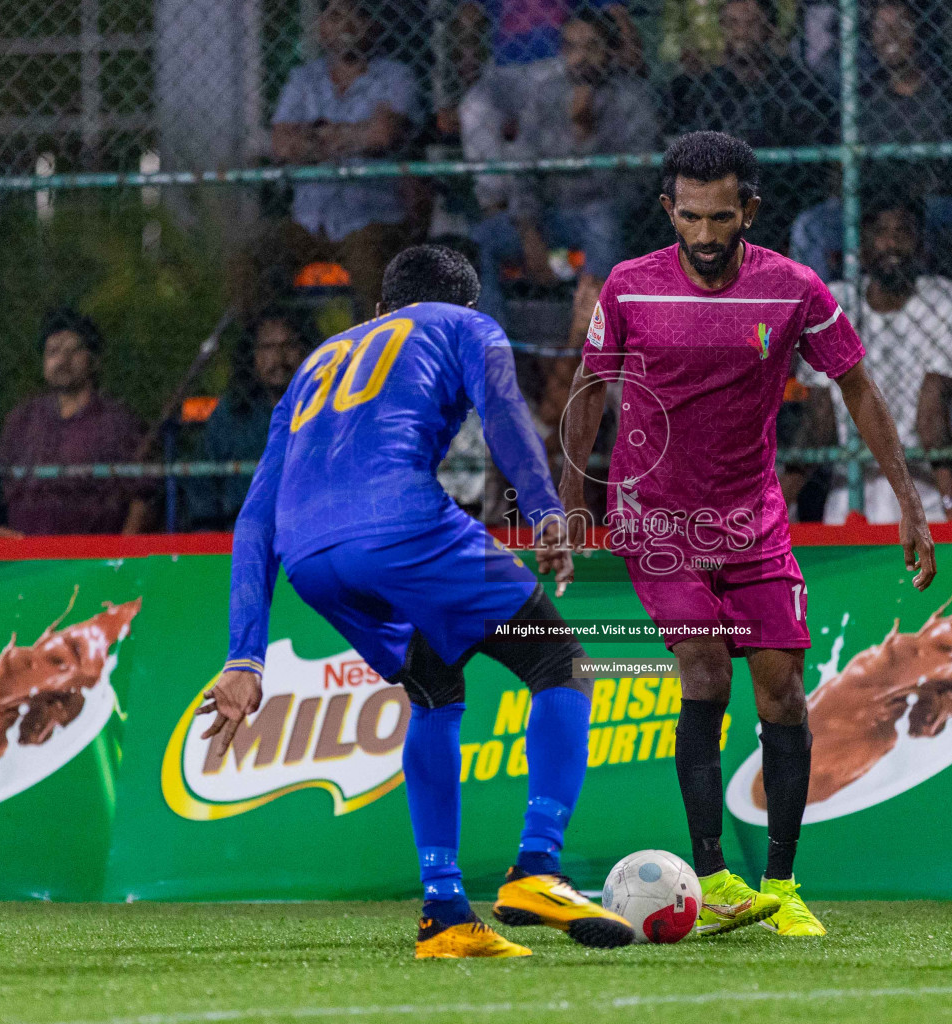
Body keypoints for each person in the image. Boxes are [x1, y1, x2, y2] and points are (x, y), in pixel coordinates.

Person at [200, 245, 633, 959]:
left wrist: (246, 654)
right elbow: (502, 412)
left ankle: (443, 910)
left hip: (310, 559)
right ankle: (537, 867)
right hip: (402, 526)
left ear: (378, 310)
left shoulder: (314, 365)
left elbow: (254, 518)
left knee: (434, 689)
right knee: (561, 660)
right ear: (464, 305)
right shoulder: (467, 326)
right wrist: (549, 510)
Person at [557, 132, 938, 937]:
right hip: (657, 520)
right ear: (669, 210)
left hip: (754, 521)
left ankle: (783, 883)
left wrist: (908, 500)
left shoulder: (794, 288)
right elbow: (590, 391)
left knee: (782, 690)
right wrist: (568, 503)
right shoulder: (629, 289)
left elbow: (859, 388)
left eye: (720, 217)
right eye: (689, 217)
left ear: (749, 211)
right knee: (703, 671)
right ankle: (716, 873)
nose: (703, 235)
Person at [469, 7, 659, 334]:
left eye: (592, 47)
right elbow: (523, 168)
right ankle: (492, 350)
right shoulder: (546, 95)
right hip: (551, 213)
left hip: (604, 216)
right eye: (572, 48)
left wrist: (585, 137)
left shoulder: (633, 98)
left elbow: (636, 186)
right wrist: (529, 231)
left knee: (602, 223)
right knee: (478, 241)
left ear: (611, 51)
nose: (581, 58)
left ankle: (584, 348)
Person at [813, 198, 952, 523]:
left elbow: (932, 410)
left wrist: (951, 502)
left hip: (924, 488)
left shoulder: (948, 301)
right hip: (849, 494)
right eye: (880, 232)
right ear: (861, 244)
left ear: (921, 243)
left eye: (903, 231)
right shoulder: (833, 302)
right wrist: (778, 500)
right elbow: (820, 418)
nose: (892, 242)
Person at [248, 0, 424, 315]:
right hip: (310, 222)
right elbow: (282, 145)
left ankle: (377, 356)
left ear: (374, 25)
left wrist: (315, 134)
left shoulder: (397, 76)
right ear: (321, 27)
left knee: (370, 260)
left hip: (372, 218)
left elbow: (383, 135)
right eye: (337, 15)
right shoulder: (304, 79)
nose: (348, 25)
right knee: (251, 258)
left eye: (359, 14)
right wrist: (355, 135)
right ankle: (273, 349)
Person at [790, 0, 952, 281]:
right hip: (871, 202)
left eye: (900, 27)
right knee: (811, 227)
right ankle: (822, 317)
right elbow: (839, 170)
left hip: (928, 203)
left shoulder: (947, 93)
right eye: (880, 28)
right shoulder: (863, 96)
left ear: (919, 32)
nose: (890, 37)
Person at [667, 0, 835, 252]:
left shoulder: (800, 85)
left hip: (782, 197)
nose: (742, 33)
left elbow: (814, 165)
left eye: (752, 23)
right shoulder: (707, 88)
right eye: (733, 24)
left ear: (770, 29)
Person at [0, 310, 154, 537]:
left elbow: (143, 496)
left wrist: (122, 553)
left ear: (94, 361)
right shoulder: (22, 419)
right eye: (53, 352)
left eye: (73, 350)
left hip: (91, 557)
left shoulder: (117, 422)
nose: (62, 360)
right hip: (27, 555)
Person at [186, 309, 313, 531]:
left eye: (289, 345)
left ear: (305, 351)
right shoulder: (231, 414)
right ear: (252, 355)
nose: (279, 358)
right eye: (268, 347)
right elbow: (202, 488)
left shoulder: (326, 408)